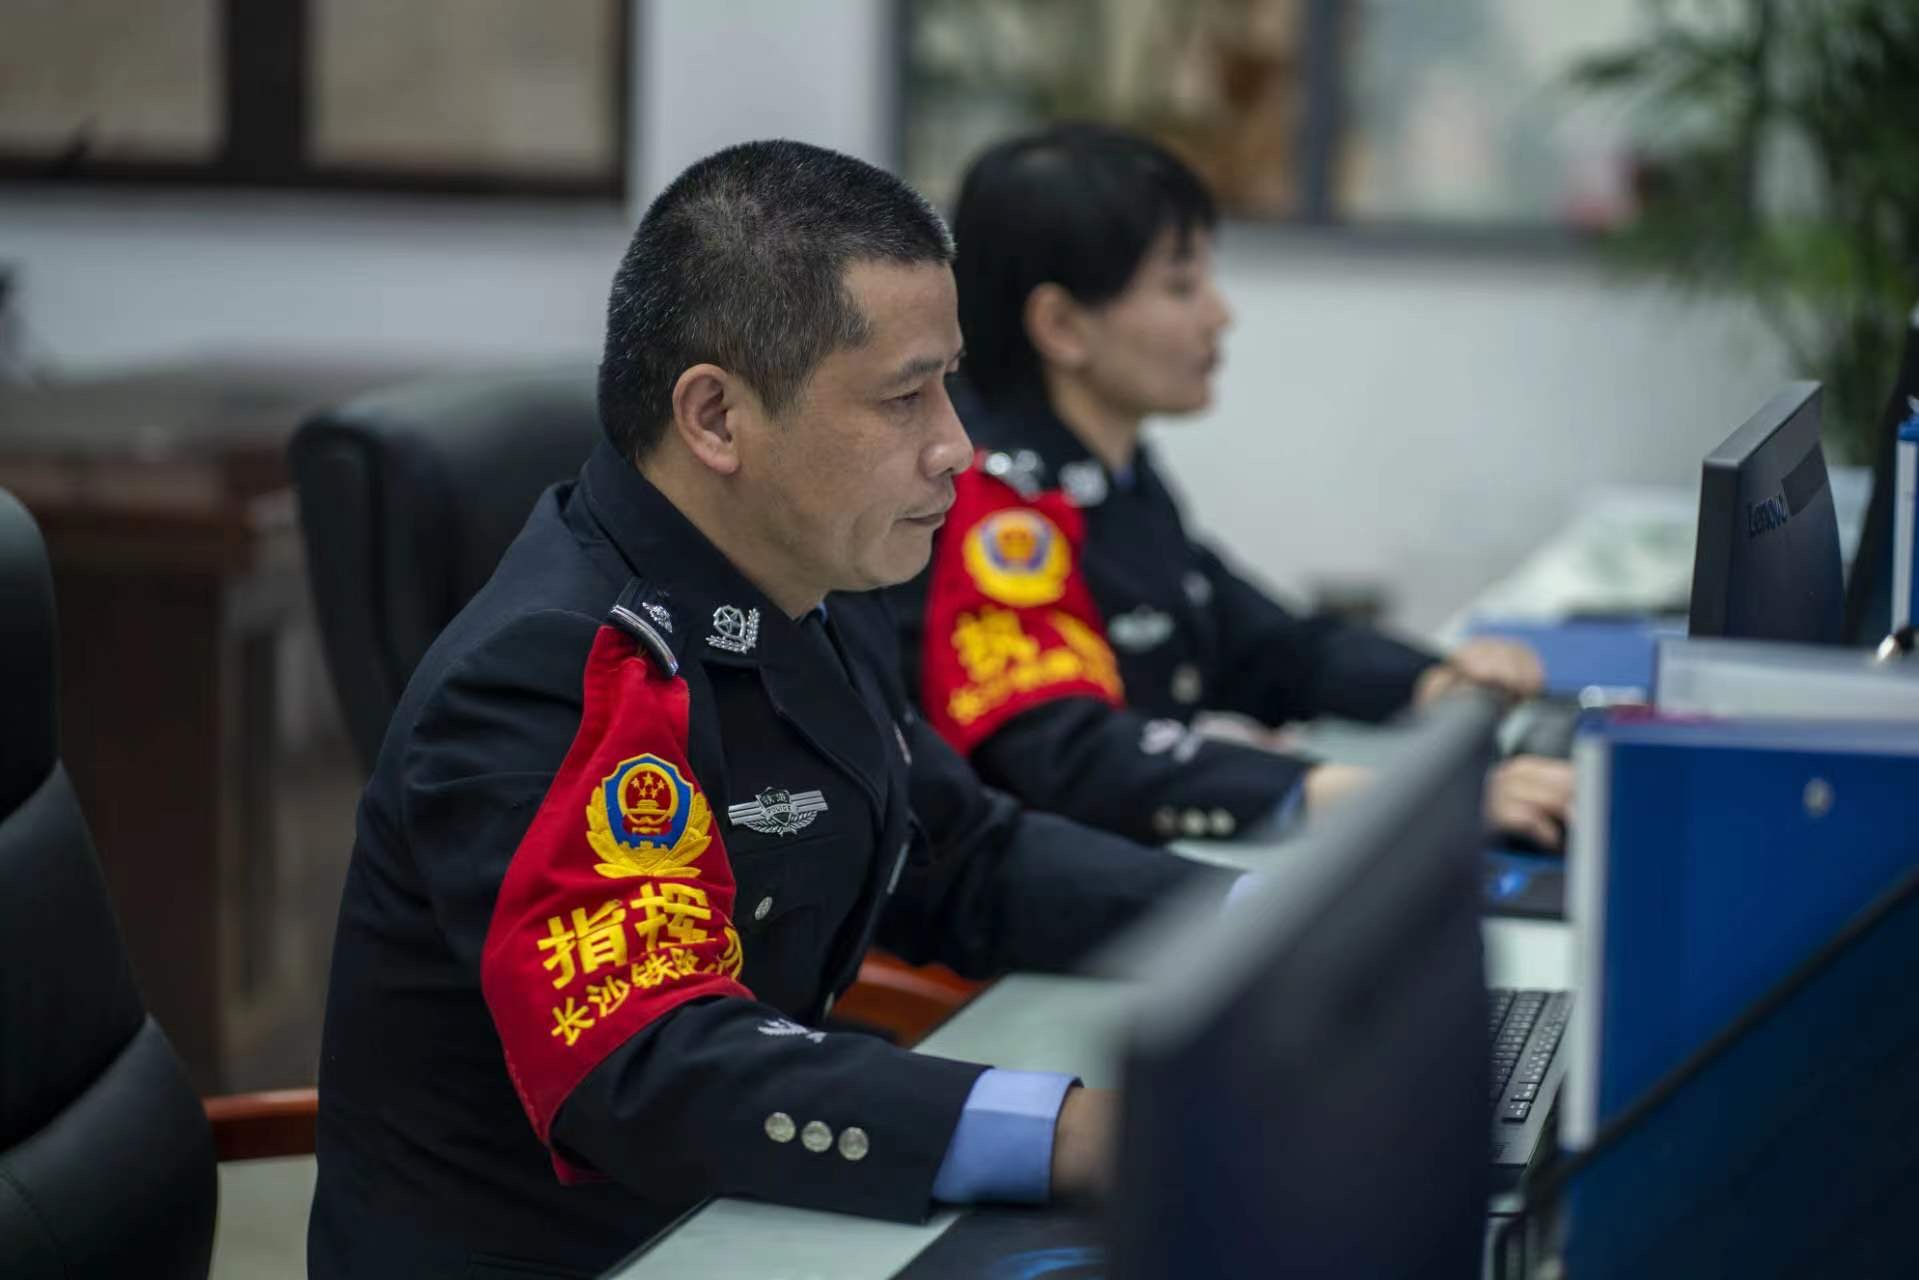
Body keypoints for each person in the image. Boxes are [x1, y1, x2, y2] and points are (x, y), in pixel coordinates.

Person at [306, 140, 1229, 1277]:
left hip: (744, 1220)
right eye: (904, 395)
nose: (957, 443)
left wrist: (1257, 922)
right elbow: (660, 1057)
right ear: (716, 417)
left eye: (949, 380)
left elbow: (966, 856)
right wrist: (1071, 1128)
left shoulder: (804, 584)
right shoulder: (554, 668)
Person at [891, 124, 1573, 850]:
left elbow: (1255, 642)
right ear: (1061, 325)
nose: (1220, 314)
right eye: (1180, 285)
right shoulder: (994, 500)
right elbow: (1067, 754)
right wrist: (1348, 797)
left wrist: (1432, 682)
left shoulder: (1112, 474)